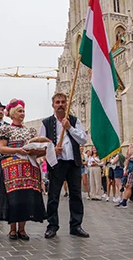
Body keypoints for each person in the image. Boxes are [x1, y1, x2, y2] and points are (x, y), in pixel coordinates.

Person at [0, 98, 46, 240]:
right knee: (12, 198)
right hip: (12, 168)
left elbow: (35, 149)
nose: (22, 113)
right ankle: (13, 229)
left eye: (23, 111)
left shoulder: (30, 131)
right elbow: (1, 148)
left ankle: (22, 229)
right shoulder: (6, 129)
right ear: (13, 114)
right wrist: (18, 150)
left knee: (25, 198)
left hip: (28, 168)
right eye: (20, 111)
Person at [39, 92, 89, 239]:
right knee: (54, 196)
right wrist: (52, 149)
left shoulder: (74, 121)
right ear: (53, 105)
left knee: (76, 195)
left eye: (63, 102)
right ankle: (52, 226)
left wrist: (69, 128)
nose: (60, 105)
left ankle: (76, 225)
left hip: (73, 162)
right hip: (56, 164)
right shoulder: (46, 123)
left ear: (67, 104)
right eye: (57, 102)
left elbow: (83, 140)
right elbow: (41, 144)